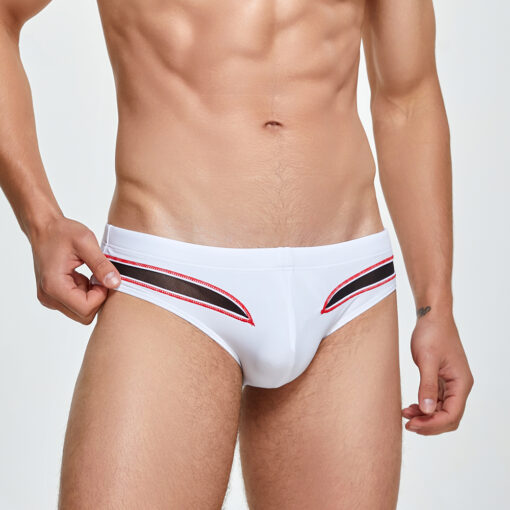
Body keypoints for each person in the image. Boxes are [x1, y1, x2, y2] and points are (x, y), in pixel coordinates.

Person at [0, 0, 474, 508]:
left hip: (349, 289)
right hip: (172, 281)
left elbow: (408, 97)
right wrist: (41, 220)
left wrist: (435, 305)